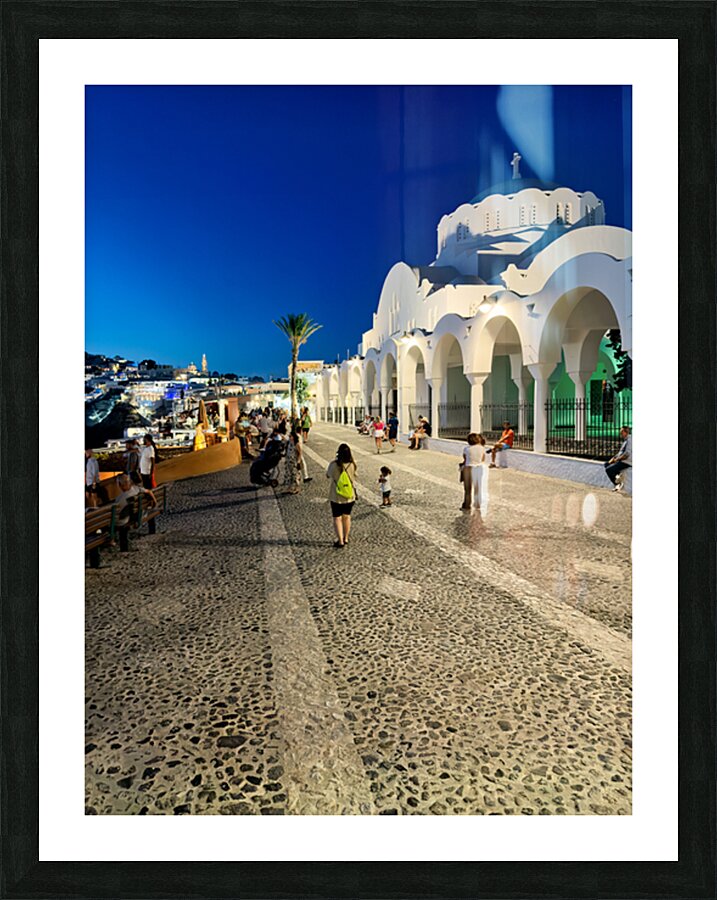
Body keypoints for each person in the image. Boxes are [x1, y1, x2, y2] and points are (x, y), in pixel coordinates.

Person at [113, 473, 157, 551]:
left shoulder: (120, 499)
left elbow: (117, 514)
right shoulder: (136, 489)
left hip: (127, 520)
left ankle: (112, 540)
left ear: (120, 485)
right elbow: (149, 491)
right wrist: (155, 502)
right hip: (138, 516)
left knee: (109, 523)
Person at [326, 443, 357, 548]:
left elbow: (328, 475)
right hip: (349, 495)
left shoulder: (334, 465)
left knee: (337, 518)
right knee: (347, 517)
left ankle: (340, 541)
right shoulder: (352, 464)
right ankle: (346, 538)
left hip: (336, 496)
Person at [460, 433, 487, 510]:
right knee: (477, 488)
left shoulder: (466, 449)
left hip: (468, 468)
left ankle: (466, 505)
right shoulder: (482, 448)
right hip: (478, 468)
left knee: (467, 489)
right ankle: (477, 504)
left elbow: (465, 459)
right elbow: (483, 459)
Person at [604, 426, 632, 491]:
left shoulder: (630, 440)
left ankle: (618, 484)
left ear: (626, 432)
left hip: (626, 461)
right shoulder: (626, 440)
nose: (620, 433)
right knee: (606, 464)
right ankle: (618, 476)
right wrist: (613, 458)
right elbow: (621, 452)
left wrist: (616, 459)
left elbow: (627, 454)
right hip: (622, 460)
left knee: (609, 469)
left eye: (621, 432)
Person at [281, 427, 303, 494]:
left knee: (295, 476)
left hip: (294, 462)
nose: (290, 437)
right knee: (288, 475)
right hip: (288, 461)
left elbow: (300, 453)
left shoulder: (297, 444)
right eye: (289, 436)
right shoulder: (289, 443)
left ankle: (297, 488)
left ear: (294, 437)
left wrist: (299, 462)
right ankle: (289, 488)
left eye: (291, 436)